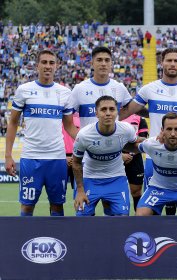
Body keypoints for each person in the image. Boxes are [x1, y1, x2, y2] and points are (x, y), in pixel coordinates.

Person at [120, 47, 177, 215]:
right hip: (154, 157)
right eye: (169, 60)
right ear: (161, 62)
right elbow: (127, 111)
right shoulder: (149, 89)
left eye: (176, 60)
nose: (172, 64)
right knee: (152, 213)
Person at [5, 49, 78, 216]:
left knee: (57, 206)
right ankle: (24, 240)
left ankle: (57, 242)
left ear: (57, 66)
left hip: (57, 159)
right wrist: (8, 155)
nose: (47, 66)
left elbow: (69, 127)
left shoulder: (64, 93)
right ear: (37, 66)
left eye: (51, 63)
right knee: (27, 206)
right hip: (31, 158)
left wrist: (88, 144)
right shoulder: (24, 90)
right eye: (44, 62)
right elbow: (13, 122)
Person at [70, 46, 133, 215]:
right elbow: (67, 119)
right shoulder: (80, 89)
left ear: (112, 63)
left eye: (107, 60)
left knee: (115, 213)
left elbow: (131, 109)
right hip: (89, 164)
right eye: (99, 60)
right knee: (84, 216)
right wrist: (81, 142)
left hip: (113, 162)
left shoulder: (119, 88)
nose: (103, 64)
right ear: (92, 63)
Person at [73, 96, 143, 216]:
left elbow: (135, 143)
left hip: (116, 179)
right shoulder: (84, 135)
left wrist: (154, 141)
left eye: (112, 109)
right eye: (103, 109)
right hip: (90, 179)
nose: (108, 113)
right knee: (82, 217)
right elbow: (76, 162)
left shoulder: (126, 129)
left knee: (122, 216)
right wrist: (80, 190)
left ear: (117, 112)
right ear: (96, 113)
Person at [121, 114, 148, 212]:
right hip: (116, 159)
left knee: (136, 192)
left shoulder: (140, 118)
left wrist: (131, 153)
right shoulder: (114, 116)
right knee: (116, 191)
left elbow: (143, 140)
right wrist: (120, 155)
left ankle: (138, 220)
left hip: (135, 158)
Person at [62, 112, 80, 189]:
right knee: (58, 190)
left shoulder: (80, 118)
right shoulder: (57, 118)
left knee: (79, 188)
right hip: (61, 157)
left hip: (77, 156)